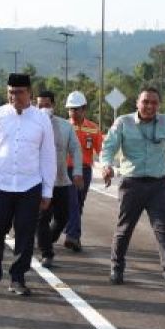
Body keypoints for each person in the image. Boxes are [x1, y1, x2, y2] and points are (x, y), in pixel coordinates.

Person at [99, 87, 165, 292]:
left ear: (159, 105)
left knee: (164, 229)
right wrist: (106, 165)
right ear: (137, 103)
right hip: (131, 184)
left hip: (159, 185)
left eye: (154, 103)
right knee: (125, 229)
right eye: (145, 102)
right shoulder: (123, 122)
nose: (149, 106)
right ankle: (117, 266)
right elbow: (108, 147)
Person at [0, 73, 55, 297]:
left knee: (25, 234)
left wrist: (47, 190)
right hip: (0, 183)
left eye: (18, 92)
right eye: (10, 92)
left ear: (29, 93)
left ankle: (17, 277)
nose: (13, 96)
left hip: (30, 185)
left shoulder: (41, 119)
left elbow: (48, 156)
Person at [35, 90, 82, 269]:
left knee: (62, 217)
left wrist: (77, 171)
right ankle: (47, 253)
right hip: (38, 182)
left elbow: (76, 149)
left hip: (61, 180)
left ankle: (45, 240)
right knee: (43, 218)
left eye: (46, 105)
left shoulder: (64, 126)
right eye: (40, 106)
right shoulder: (30, 125)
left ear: (53, 106)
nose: (43, 109)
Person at [61, 90, 102, 253]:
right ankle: (73, 236)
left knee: (78, 203)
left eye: (76, 108)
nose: (73, 112)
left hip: (84, 171)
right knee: (72, 202)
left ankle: (70, 231)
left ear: (84, 109)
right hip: (66, 170)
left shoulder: (93, 128)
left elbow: (101, 150)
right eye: (70, 108)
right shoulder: (62, 126)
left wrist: (106, 167)